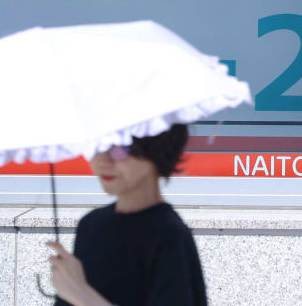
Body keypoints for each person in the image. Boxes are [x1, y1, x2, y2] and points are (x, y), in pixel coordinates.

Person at [47, 123, 207, 306]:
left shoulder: (169, 236)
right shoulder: (91, 225)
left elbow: (81, 295)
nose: (101, 160)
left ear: (154, 150)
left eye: (118, 148)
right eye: (95, 146)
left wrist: (84, 297)